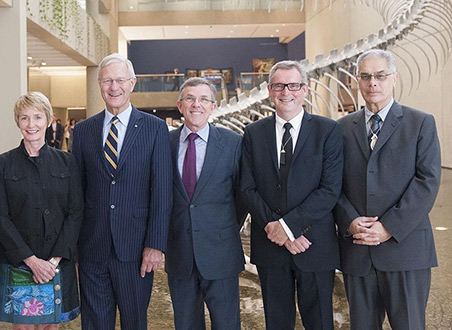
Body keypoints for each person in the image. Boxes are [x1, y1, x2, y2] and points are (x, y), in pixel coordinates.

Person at [334, 49, 441, 330]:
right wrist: (350, 221)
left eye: (380, 75)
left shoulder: (420, 123)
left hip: (405, 249)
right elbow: (332, 184)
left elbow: (427, 181)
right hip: (357, 252)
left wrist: (389, 227)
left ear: (393, 78)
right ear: (357, 80)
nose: (373, 83)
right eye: (366, 76)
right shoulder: (341, 129)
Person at [240, 60, 343, 330]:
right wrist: (277, 230)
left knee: (320, 322)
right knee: (277, 322)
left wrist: (288, 227)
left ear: (305, 90)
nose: (286, 92)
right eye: (278, 85)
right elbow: (247, 189)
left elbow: (329, 190)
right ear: (269, 90)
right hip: (270, 247)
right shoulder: (253, 133)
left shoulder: (328, 131)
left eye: (293, 85)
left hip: (314, 245)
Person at [72, 53, 172, 330]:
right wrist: (74, 245)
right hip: (92, 248)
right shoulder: (83, 131)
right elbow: (77, 192)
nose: (113, 87)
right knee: (94, 323)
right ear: (99, 84)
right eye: (107, 81)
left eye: (119, 80)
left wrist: (156, 244)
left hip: (137, 249)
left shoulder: (155, 129)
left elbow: (162, 191)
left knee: (134, 322)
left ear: (132, 83)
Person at [0, 92, 83, 329]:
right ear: (17, 122)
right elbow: (0, 215)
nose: (31, 125)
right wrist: (31, 260)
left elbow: (76, 212)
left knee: (51, 325)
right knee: (23, 326)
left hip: (57, 262)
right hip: (20, 261)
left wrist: (53, 260)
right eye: (24, 118)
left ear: (48, 120)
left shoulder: (67, 162)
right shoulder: (2, 163)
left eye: (38, 117)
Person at [165, 77, 246, 330]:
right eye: (190, 98)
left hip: (221, 253)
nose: (196, 105)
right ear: (180, 105)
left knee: (226, 324)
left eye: (203, 99)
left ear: (213, 106)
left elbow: (242, 196)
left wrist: (221, 227)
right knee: (186, 324)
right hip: (180, 254)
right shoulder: (163, 143)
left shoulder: (233, 143)